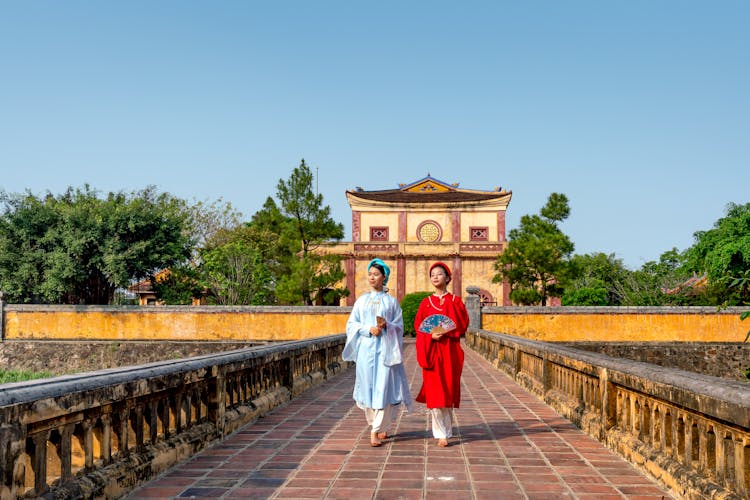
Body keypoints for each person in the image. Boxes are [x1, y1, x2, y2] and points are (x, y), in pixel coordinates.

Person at [343, 258, 412, 447]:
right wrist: (367, 329)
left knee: (383, 387)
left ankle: (374, 430)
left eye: (376, 274)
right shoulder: (361, 301)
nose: (372, 277)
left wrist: (387, 326)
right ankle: (380, 425)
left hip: (385, 351)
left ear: (384, 277)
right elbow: (352, 324)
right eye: (370, 274)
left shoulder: (391, 302)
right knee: (368, 388)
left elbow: (399, 325)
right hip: (366, 350)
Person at [414, 261, 469, 447]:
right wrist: (430, 335)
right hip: (431, 351)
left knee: (447, 391)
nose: (435, 277)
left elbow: (462, 324)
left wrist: (447, 331)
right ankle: (441, 433)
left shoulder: (455, 301)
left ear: (447, 277)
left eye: (439, 274)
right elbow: (419, 328)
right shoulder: (425, 303)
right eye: (432, 275)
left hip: (449, 352)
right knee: (435, 393)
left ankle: (447, 428)